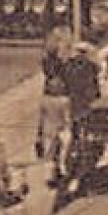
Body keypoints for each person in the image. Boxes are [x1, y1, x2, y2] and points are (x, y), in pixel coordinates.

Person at [37, 26, 71, 168]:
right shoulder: (64, 59)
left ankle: (52, 162)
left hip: (49, 96)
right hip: (61, 98)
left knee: (51, 132)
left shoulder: (47, 59)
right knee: (63, 131)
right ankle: (60, 162)